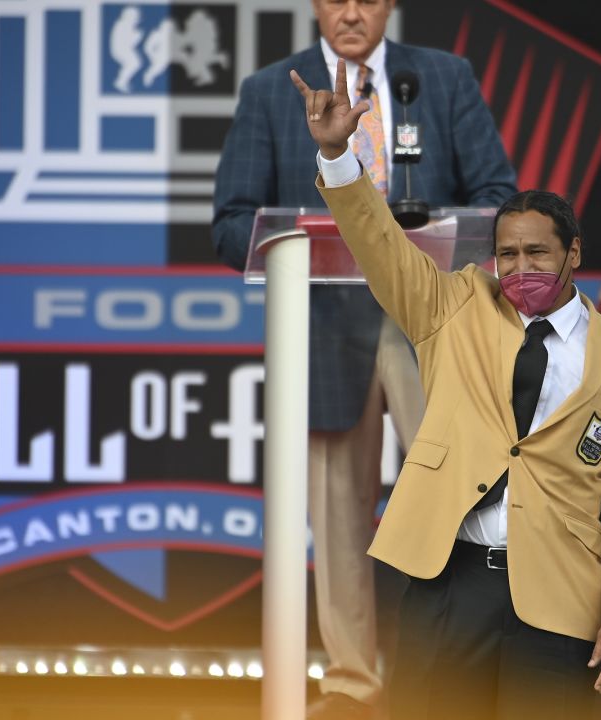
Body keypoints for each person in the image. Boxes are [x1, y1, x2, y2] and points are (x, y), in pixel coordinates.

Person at [291, 60, 601, 720]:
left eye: (538, 254)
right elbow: (380, 246)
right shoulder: (453, 308)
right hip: (450, 581)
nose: (520, 268)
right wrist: (337, 154)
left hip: (558, 591)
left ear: (573, 254)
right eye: (509, 255)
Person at [212, 2, 516, 718]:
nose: (351, 12)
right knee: (337, 523)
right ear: (316, 5)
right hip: (320, 328)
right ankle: (351, 689)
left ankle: (462, 674)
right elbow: (231, 225)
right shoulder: (270, 90)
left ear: (390, 5)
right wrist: (313, 234)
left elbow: (499, 197)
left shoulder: (440, 79)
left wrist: (438, 233)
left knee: (465, 505)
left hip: (432, 324)